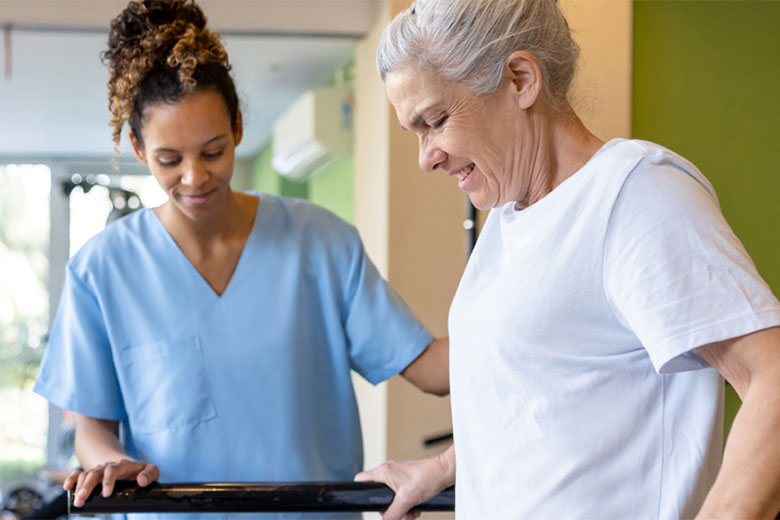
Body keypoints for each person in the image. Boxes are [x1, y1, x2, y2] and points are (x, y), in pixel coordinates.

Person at [355, 0, 780, 518]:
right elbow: (545, 401)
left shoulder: (634, 193)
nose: (426, 157)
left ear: (520, 79)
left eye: (436, 121)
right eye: (415, 132)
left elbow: (772, 377)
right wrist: (443, 468)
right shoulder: (509, 215)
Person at [32, 0, 448, 518]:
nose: (194, 177)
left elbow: (431, 368)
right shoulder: (101, 271)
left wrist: (531, 318)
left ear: (238, 127)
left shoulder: (321, 242)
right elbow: (93, 428)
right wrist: (112, 462)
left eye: (212, 151)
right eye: (168, 159)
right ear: (138, 147)